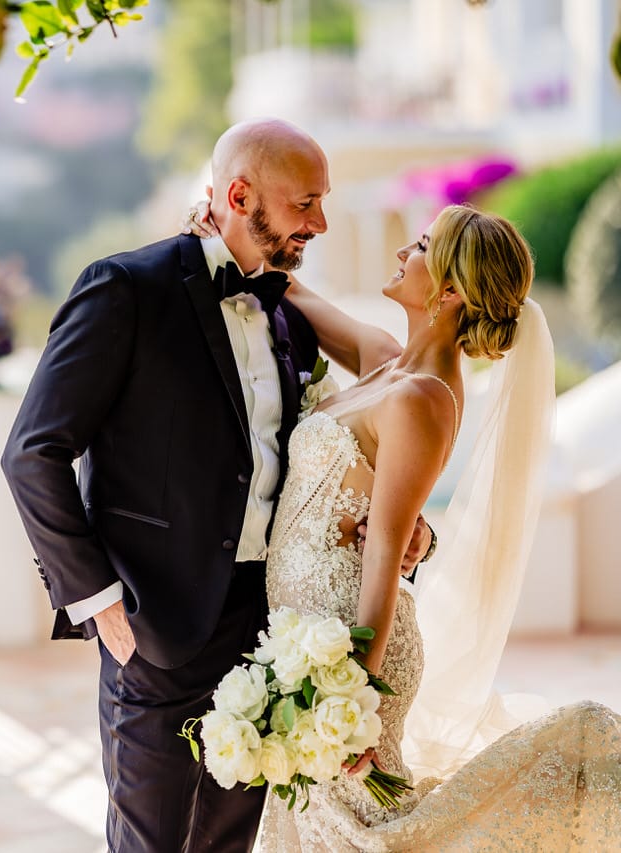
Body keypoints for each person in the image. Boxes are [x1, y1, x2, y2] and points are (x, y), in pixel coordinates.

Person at [0, 118, 432, 852]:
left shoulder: (290, 318)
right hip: (153, 623)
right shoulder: (125, 290)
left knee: (229, 842)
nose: (321, 222)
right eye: (306, 204)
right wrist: (101, 602)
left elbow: (324, 453)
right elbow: (32, 452)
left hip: (271, 631)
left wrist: (390, 525)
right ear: (239, 195)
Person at [188, 200, 621, 850]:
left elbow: (386, 551)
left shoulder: (423, 399)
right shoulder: (389, 361)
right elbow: (294, 289)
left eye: (419, 244)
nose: (401, 252)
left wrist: (351, 697)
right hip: (310, 639)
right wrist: (224, 236)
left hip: (350, 651)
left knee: (359, 832)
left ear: (448, 290)